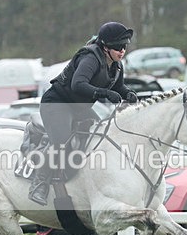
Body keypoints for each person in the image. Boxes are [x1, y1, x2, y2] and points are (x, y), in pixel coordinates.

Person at [29, 21, 138, 205]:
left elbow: (118, 86)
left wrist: (127, 93)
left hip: (78, 108)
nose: (122, 51)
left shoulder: (116, 65)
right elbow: (78, 84)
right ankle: (39, 182)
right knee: (62, 142)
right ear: (105, 46)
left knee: (101, 134)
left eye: (124, 47)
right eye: (118, 47)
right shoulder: (90, 58)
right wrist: (104, 93)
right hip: (57, 103)